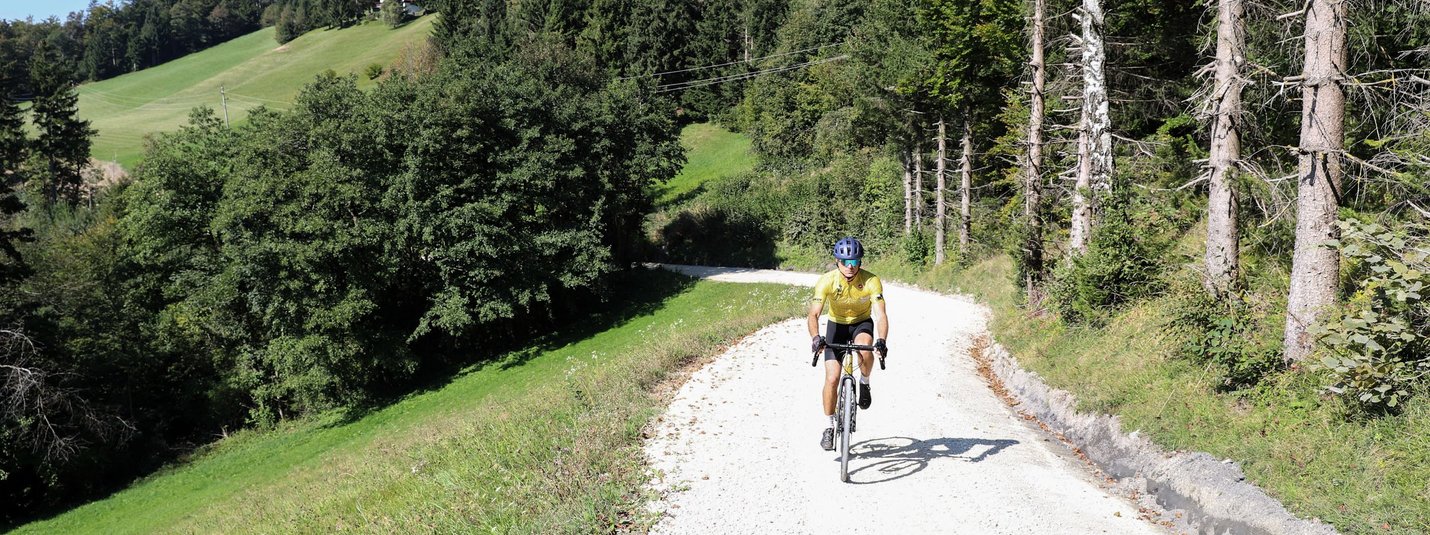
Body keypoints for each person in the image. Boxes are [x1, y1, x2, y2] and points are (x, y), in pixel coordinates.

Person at [807, 236, 889, 451]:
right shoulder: (827, 281)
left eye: (854, 262)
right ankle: (828, 426)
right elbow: (814, 314)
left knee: (865, 349)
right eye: (845, 262)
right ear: (837, 262)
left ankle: (864, 381)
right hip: (837, 326)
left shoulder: (871, 281)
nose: (850, 267)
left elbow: (880, 315)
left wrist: (881, 341)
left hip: (861, 323)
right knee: (832, 378)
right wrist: (816, 338)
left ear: (860, 262)